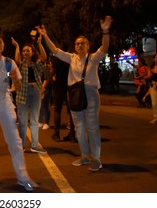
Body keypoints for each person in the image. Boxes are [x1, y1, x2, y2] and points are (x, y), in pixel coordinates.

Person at [37, 15, 113, 172]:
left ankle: (96, 158)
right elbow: (55, 51)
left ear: (88, 45)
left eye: (83, 43)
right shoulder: (71, 58)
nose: (80, 46)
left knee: (92, 127)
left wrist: (105, 32)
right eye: (77, 44)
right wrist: (45, 36)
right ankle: (85, 156)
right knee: (79, 127)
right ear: (75, 46)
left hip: (91, 94)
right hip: (74, 94)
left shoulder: (93, 58)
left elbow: (104, 48)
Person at [0, 33, 39, 192]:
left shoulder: (10, 63)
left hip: (5, 105)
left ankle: (23, 177)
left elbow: (18, 87)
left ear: (3, 46)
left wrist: (16, 80)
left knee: (16, 142)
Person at [12, 35, 48, 154]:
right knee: (22, 121)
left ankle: (34, 144)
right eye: (24, 51)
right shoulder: (21, 64)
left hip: (35, 91)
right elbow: (16, 59)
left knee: (34, 120)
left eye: (28, 50)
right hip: (23, 92)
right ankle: (22, 145)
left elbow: (44, 57)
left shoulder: (36, 64)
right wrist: (17, 46)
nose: (25, 52)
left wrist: (39, 43)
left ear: (32, 53)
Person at [50, 44, 77, 143]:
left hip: (59, 86)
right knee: (72, 112)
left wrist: (52, 79)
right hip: (70, 86)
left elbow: (52, 72)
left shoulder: (57, 58)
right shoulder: (71, 58)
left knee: (57, 110)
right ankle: (72, 135)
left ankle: (57, 134)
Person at [143, 53, 157, 124]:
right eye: (156, 57)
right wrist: (147, 76)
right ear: (154, 59)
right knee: (155, 103)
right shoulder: (152, 67)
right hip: (154, 85)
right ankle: (156, 117)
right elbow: (148, 77)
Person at [39, 58, 52, 130]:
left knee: (45, 106)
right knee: (40, 106)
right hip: (40, 88)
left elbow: (46, 79)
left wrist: (42, 88)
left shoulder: (45, 67)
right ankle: (40, 121)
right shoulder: (38, 67)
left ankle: (46, 123)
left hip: (45, 89)